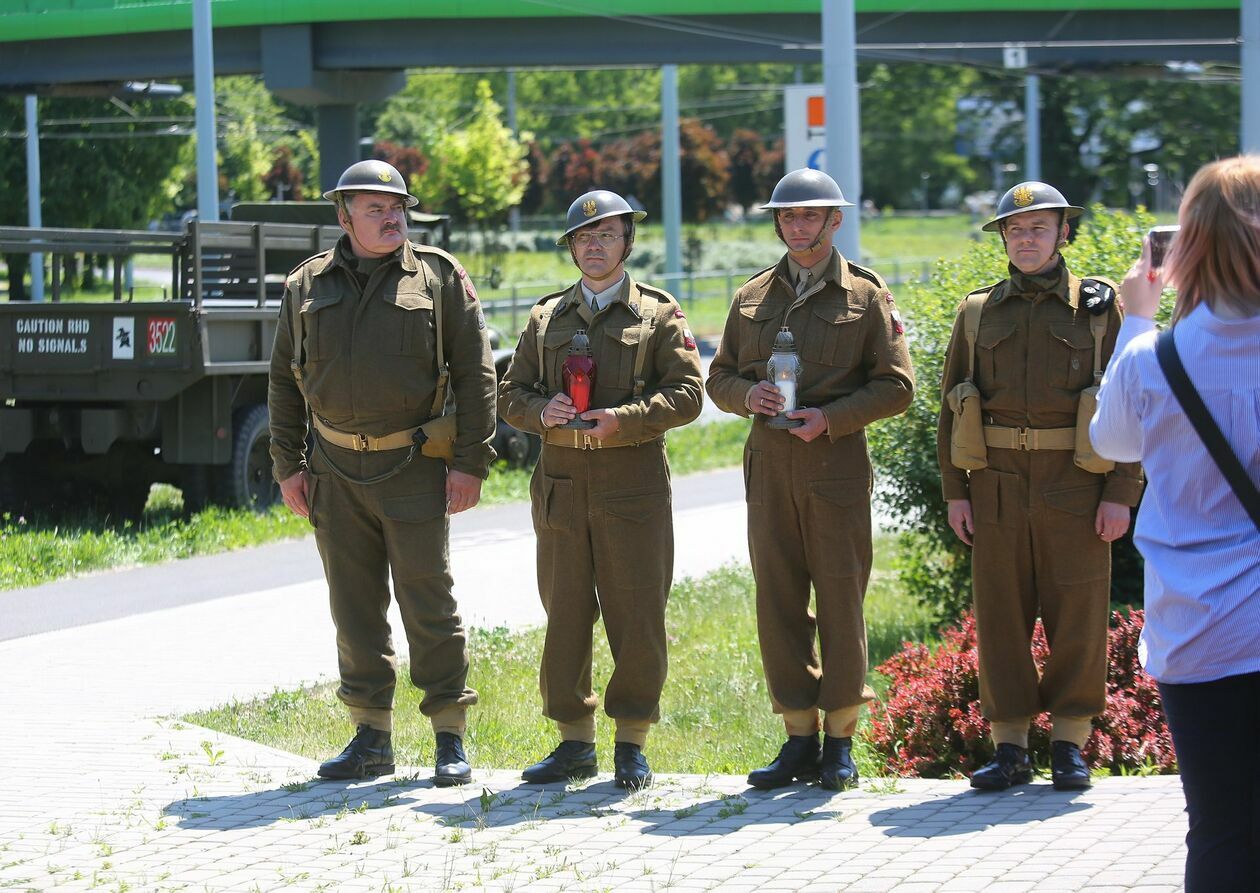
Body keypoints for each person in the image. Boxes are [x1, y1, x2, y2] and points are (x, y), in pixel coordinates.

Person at [267, 159, 497, 785]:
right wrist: (289, 466)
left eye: (397, 207)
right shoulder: (306, 285)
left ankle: (449, 733)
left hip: (414, 467)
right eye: (375, 208)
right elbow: (285, 381)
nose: (392, 216)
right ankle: (371, 735)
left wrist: (471, 463)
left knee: (428, 600)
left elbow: (476, 375)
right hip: (333, 472)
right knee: (353, 605)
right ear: (343, 216)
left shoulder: (439, 279)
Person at [706, 169, 914, 791]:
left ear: (834, 221)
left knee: (841, 601)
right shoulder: (751, 297)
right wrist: (751, 395)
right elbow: (716, 378)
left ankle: (840, 737)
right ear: (777, 223)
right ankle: (798, 735)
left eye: (811, 216)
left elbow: (897, 386)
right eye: (789, 217)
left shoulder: (865, 296)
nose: (799, 227)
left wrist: (831, 418)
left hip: (835, 468)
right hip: (769, 470)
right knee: (778, 601)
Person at [936, 181, 1144, 792]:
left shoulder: (1100, 311)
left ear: (1063, 234)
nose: (1026, 240)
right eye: (1015, 230)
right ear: (1002, 236)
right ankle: (1009, 747)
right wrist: (955, 490)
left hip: (1076, 488)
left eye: (1039, 229)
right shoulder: (978, 311)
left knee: (1077, 615)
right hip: (996, 486)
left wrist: (1121, 493)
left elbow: (1132, 403)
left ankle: (1070, 743)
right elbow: (953, 405)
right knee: (1000, 618)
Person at [1090, 155, 1260, 891]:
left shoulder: (1151, 359)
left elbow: (1110, 444)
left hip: (1200, 633)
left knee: (1221, 832)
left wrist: (1136, 316)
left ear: (1184, 245)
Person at [497, 190, 703, 790]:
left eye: (607, 235)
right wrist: (544, 411)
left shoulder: (659, 315)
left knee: (637, 613)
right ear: (570, 247)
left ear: (627, 242)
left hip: (631, 483)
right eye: (584, 238)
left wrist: (628, 418)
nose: (594, 246)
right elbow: (509, 396)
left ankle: (632, 741)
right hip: (562, 484)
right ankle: (573, 741)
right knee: (563, 613)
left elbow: (689, 395)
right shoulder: (546, 319)